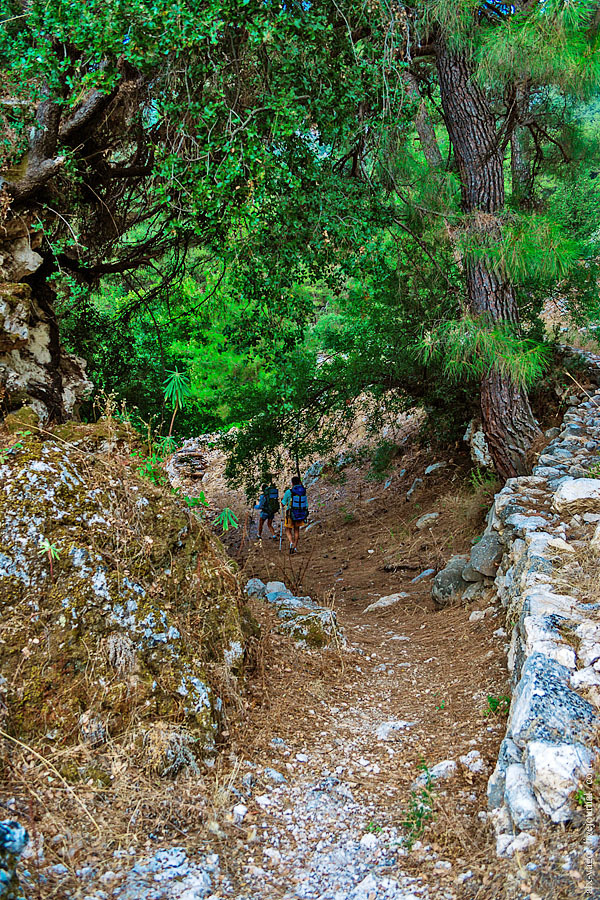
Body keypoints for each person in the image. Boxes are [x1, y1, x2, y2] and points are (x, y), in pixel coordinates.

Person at [282, 475, 308, 553]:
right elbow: (306, 504)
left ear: (292, 483)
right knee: (296, 530)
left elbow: (283, 503)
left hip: (290, 513)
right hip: (300, 513)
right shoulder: (303, 491)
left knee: (288, 529)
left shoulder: (288, 492)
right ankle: (295, 546)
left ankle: (291, 542)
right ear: (300, 482)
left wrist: (282, 502)